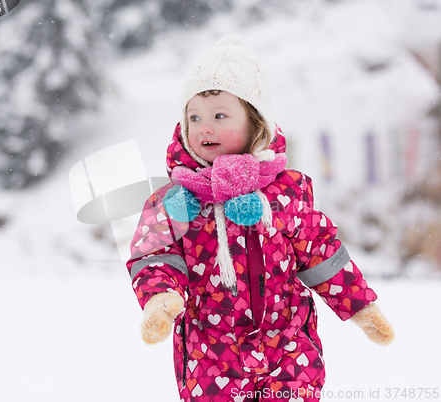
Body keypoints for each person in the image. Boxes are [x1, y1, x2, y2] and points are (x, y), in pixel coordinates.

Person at [126, 35, 394, 402]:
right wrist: (161, 297)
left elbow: (321, 253)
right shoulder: (174, 203)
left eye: (220, 116)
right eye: (194, 117)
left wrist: (360, 306)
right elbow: (153, 255)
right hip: (211, 354)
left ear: (255, 123)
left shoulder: (285, 194)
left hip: (288, 345)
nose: (205, 127)